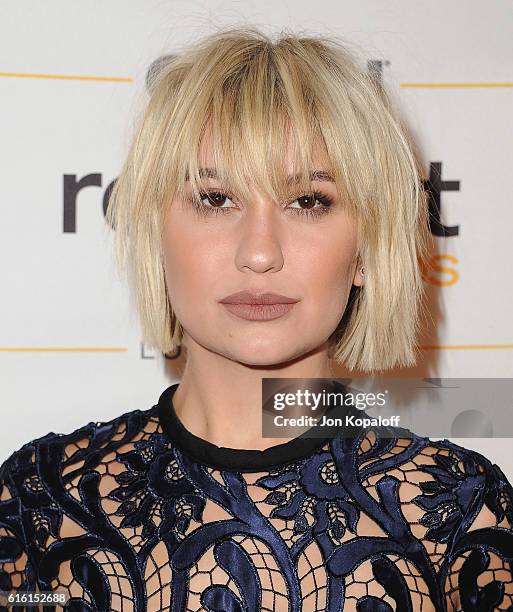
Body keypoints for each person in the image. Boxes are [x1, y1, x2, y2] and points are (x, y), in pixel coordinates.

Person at [1, 26, 512, 612]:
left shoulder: (457, 514)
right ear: (154, 235)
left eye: (309, 201)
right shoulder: (40, 502)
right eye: (216, 199)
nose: (260, 252)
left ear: (367, 249)